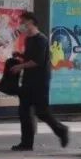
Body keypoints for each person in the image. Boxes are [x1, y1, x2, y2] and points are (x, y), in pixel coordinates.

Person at [11, 12, 69, 151]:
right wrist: (20, 56)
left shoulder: (41, 39)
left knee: (42, 111)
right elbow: (29, 57)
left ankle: (61, 130)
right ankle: (26, 143)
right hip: (28, 80)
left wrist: (20, 66)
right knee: (24, 111)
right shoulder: (28, 39)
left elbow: (37, 61)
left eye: (23, 22)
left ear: (31, 22)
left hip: (40, 81)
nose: (21, 25)